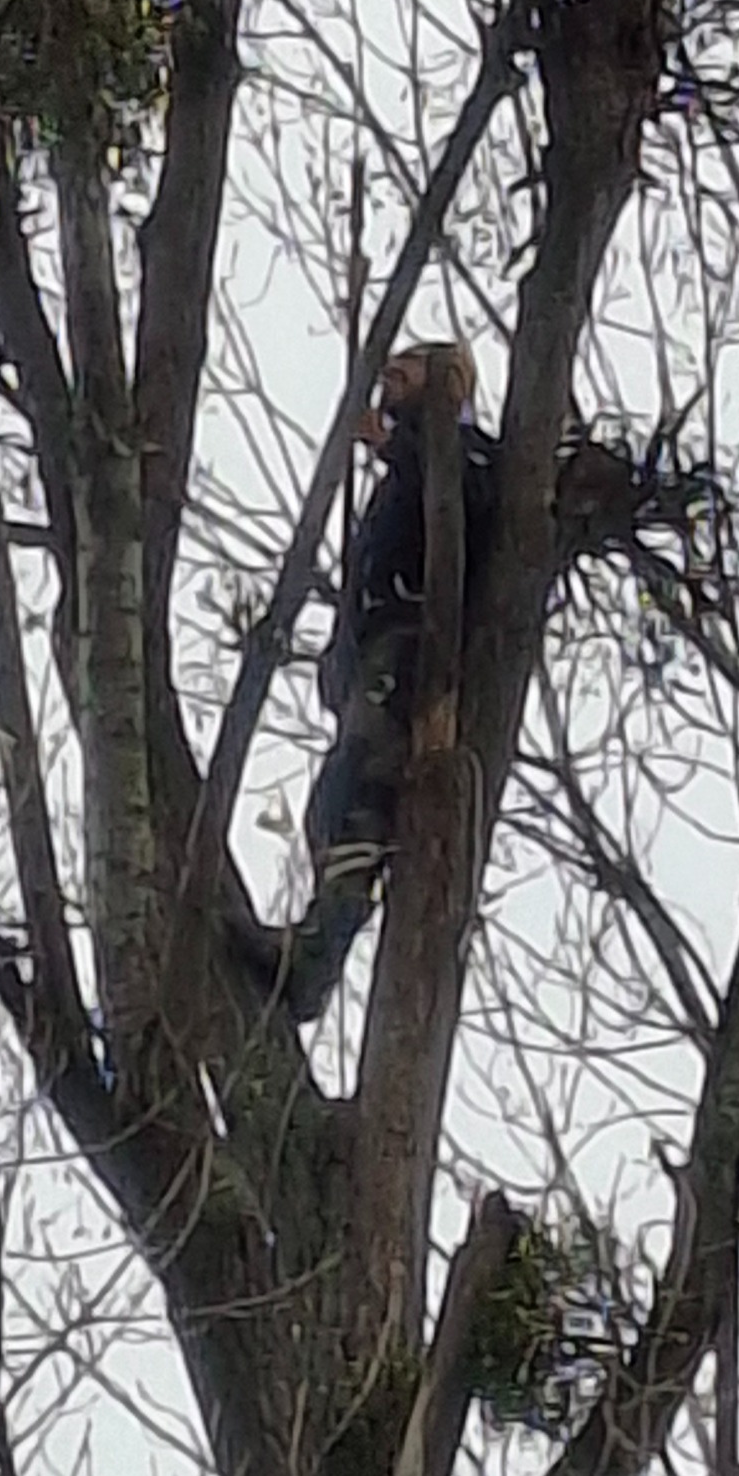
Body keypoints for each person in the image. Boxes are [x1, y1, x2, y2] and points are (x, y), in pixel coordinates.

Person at [289, 341, 497, 1019]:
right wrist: (341, 656)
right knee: (335, 801)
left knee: (359, 792)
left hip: (411, 648)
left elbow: (461, 508)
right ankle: (318, 935)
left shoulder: (462, 454)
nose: (388, 378)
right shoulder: (405, 473)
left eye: (406, 368)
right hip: (378, 651)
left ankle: (316, 955)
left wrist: (393, 448)